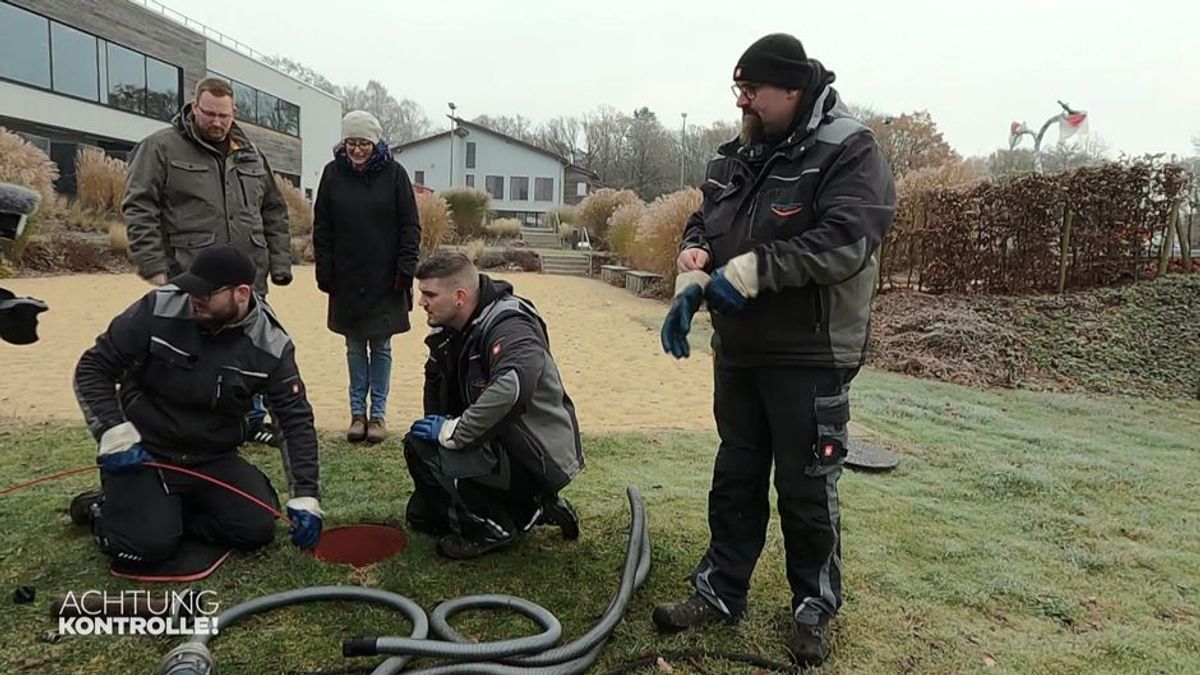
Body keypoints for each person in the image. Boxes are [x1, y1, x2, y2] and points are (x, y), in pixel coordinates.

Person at [655, 34, 896, 667]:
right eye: (739, 89)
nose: (743, 101)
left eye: (753, 90)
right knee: (735, 475)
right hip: (740, 349)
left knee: (806, 486)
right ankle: (720, 591)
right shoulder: (733, 156)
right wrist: (693, 268)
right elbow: (704, 222)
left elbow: (846, 241)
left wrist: (747, 274)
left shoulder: (849, 149)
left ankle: (813, 606)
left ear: (792, 89)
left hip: (811, 351)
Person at [70, 245, 324, 568]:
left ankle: (166, 513)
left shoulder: (271, 345)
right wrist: (113, 432)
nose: (193, 299)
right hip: (147, 453)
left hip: (211, 456)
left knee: (256, 530)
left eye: (205, 294)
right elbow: (93, 368)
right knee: (144, 550)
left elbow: (294, 420)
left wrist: (306, 496)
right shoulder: (158, 307)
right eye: (191, 289)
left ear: (242, 293)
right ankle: (106, 509)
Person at [122, 76, 293, 444]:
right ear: (194, 107)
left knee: (253, 347)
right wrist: (153, 265)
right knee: (189, 352)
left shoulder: (249, 152)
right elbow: (139, 206)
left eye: (224, 116)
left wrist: (280, 263)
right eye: (209, 114)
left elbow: (274, 209)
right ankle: (189, 422)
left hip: (249, 276)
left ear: (235, 113)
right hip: (191, 275)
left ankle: (253, 419)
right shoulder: (160, 147)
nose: (217, 122)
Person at [404, 252, 582, 559]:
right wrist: (439, 431)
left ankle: (495, 528)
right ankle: (532, 508)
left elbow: (511, 388)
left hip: (533, 454)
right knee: (423, 515)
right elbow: (435, 386)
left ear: (460, 296)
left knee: (422, 447)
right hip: (499, 442)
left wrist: (451, 433)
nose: (421, 302)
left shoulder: (510, 325)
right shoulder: (448, 330)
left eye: (429, 294)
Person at [313, 111, 421, 443]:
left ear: (375, 144)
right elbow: (322, 227)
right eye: (351, 143)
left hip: (386, 278)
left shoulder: (395, 175)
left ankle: (378, 416)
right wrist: (325, 269)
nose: (357, 150)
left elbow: (410, 227)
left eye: (363, 143)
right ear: (343, 144)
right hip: (346, 276)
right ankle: (357, 414)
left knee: (382, 346)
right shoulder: (332, 174)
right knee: (354, 345)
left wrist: (406, 270)